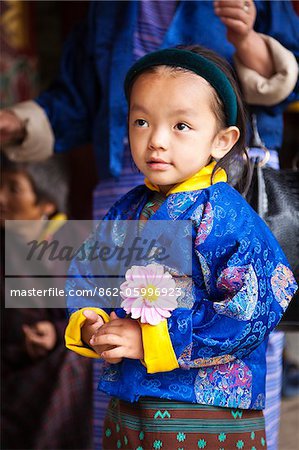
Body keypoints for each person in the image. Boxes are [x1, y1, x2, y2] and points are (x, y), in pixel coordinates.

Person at [1, 2, 299, 449]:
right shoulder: (125, 211)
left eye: (181, 125)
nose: (156, 139)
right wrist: (90, 321)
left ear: (222, 140)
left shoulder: (227, 216)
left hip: (207, 413)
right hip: (132, 407)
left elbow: (258, 305)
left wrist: (152, 339)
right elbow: (89, 277)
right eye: (141, 121)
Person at [0, 154, 93, 449]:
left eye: (14, 189)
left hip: (48, 364)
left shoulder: (74, 244)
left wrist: (55, 332)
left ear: (47, 203)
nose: (0, 198)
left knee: (76, 359)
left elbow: (98, 310)